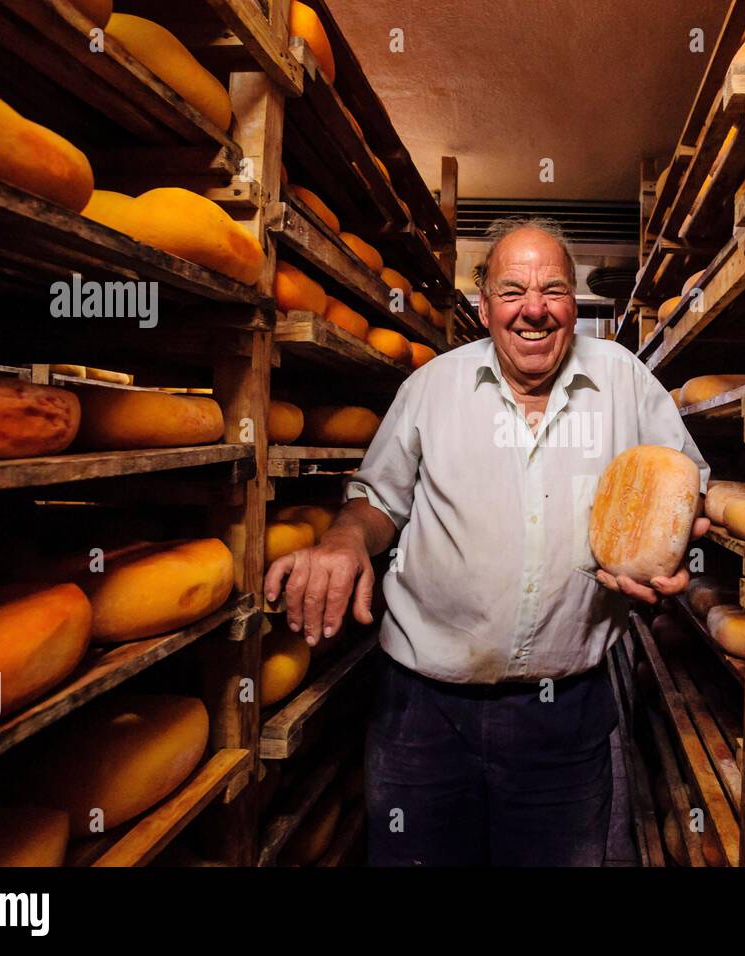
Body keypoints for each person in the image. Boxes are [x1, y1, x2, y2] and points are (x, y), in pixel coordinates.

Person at [265, 218, 710, 866]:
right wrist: (342, 541)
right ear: (483, 307)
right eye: (512, 290)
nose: (534, 308)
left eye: (552, 289)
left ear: (573, 301)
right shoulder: (431, 388)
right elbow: (378, 499)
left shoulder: (622, 378)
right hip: (423, 711)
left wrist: (671, 556)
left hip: (564, 715)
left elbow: (683, 481)